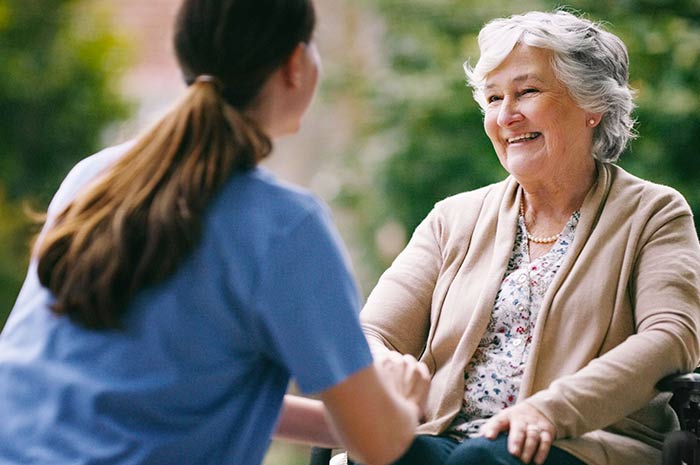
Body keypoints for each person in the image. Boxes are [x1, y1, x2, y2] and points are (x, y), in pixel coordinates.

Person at [0, 1, 430, 464]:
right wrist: (403, 401)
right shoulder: (286, 227)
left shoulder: (94, 177)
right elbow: (381, 447)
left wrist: (347, 419)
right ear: (295, 65)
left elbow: (162, 394)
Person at [359, 9, 700, 465]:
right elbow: (370, 332)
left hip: (582, 443)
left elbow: (672, 336)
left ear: (592, 105)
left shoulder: (653, 213)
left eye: (527, 92)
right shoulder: (452, 219)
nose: (506, 116)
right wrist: (387, 368)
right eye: (494, 98)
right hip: (446, 438)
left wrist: (552, 410)